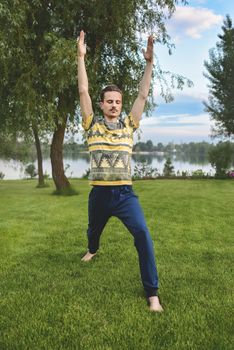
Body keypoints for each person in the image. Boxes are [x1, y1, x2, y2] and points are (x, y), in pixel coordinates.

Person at [77, 30, 163, 312]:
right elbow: (83, 91)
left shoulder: (129, 124)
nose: (114, 105)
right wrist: (80, 58)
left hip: (125, 195)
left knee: (143, 235)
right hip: (99, 195)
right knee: (93, 231)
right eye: (109, 101)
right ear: (101, 105)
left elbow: (143, 93)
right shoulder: (92, 125)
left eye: (117, 101)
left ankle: (152, 294)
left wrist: (149, 63)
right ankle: (92, 249)